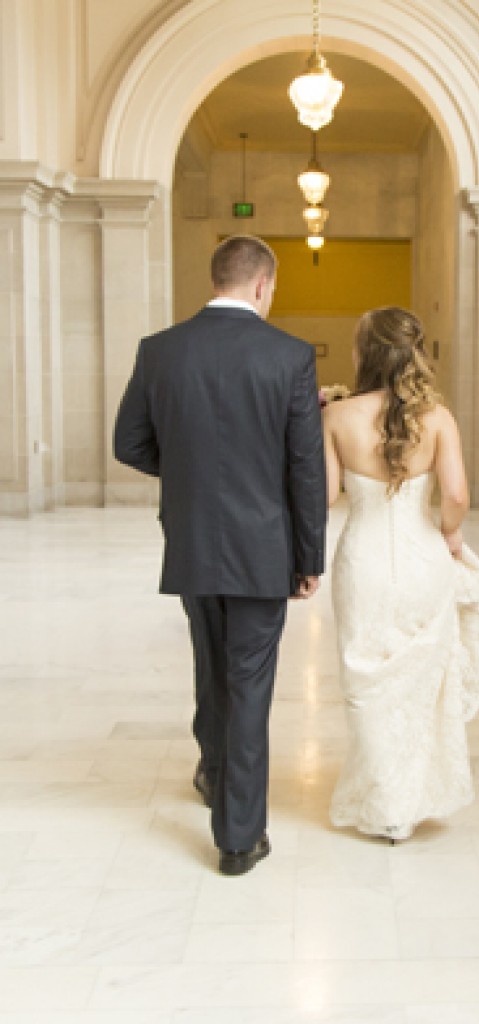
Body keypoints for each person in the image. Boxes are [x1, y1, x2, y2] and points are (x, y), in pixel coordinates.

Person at [113, 235, 327, 875]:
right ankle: (238, 837)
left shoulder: (161, 351)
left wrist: (186, 475)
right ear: (262, 284)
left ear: (218, 280)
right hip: (264, 548)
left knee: (211, 665)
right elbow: (304, 469)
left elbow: (129, 443)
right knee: (250, 682)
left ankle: (213, 769)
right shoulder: (289, 356)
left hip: (194, 539)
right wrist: (309, 556)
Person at [323, 306, 479, 842]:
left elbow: (322, 497)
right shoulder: (439, 419)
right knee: (420, 682)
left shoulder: (336, 417)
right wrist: (449, 533)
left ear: (364, 354)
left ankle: (387, 803)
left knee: (366, 679)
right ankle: (411, 795)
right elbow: (455, 496)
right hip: (424, 558)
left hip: (364, 560)